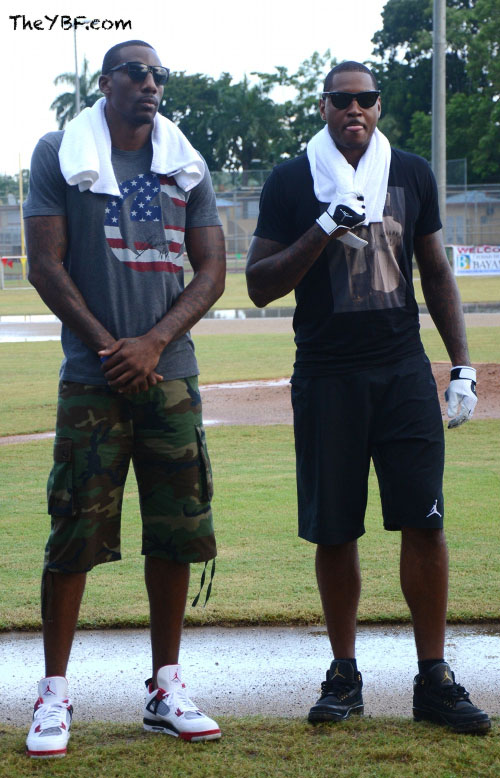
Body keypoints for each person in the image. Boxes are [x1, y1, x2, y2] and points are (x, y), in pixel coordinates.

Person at [246, 61, 490, 734]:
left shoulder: (409, 171)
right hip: (327, 372)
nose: (356, 108)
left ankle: (434, 677)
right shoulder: (293, 179)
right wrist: (323, 225)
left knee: (426, 518)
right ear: (323, 107)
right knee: (335, 527)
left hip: (402, 368)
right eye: (343, 99)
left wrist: (462, 366)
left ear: (379, 107)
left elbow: (435, 270)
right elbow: (260, 284)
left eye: (367, 99)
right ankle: (345, 674)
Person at [23, 40, 226, 758]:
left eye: (159, 76)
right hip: (92, 376)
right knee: (74, 530)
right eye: (136, 73)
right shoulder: (59, 152)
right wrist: (114, 346)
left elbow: (211, 270)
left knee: (176, 529)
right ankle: (53, 692)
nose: (151, 84)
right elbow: (44, 264)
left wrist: (153, 344)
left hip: (170, 374)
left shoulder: (185, 161)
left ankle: (165, 687)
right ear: (106, 82)